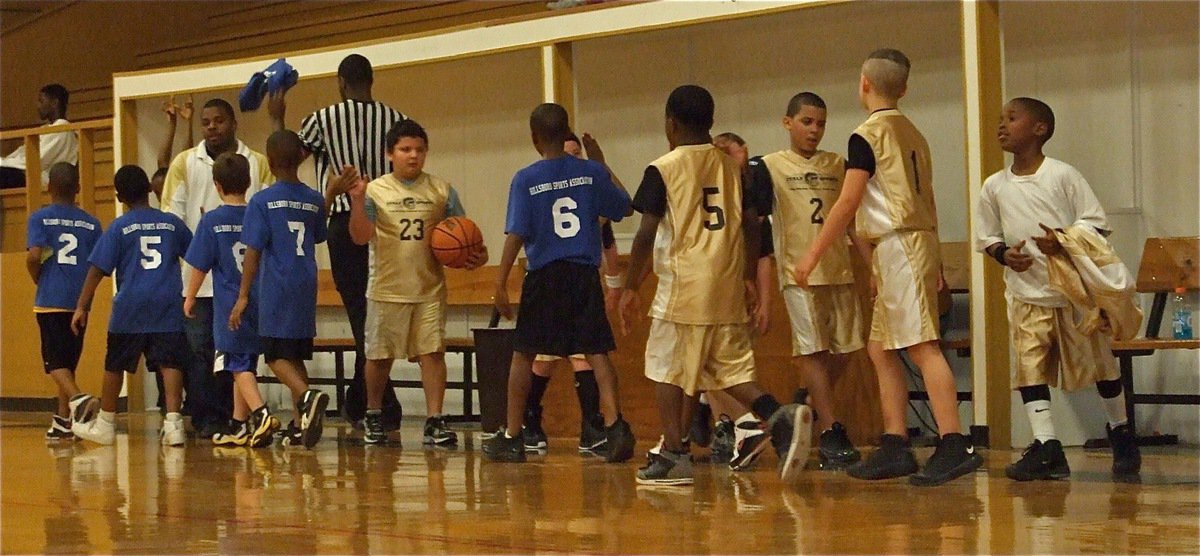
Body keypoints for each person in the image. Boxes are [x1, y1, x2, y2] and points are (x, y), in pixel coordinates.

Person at [795, 48, 983, 486]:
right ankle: (896, 443)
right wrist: (930, 257)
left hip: (901, 244)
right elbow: (928, 199)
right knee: (880, 347)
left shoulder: (867, 135)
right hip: (908, 244)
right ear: (905, 88)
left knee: (922, 346)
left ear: (863, 83)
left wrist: (812, 254)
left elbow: (847, 202)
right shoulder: (914, 132)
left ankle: (954, 443)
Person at [620, 85, 808, 486]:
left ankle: (673, 453)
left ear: (670, 123)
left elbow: (645, 234)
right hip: (724, 281)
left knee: (667, 370)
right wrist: (744, 277)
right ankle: (780, 415)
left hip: (685, 283)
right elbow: (750, 223)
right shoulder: (732, 167)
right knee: (723, 369)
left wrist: (630, 285)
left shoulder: (663, 168)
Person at [975, 97, 1141, 480]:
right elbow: (986, 236)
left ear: (1040, 129)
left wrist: (1063, 242)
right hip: (1025, 294)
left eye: (1012, 118)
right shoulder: (994, 186)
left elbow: (1095, 223)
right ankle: (1048, 446)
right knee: (1029, 368)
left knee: (1101, 365)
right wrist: (1004, 255)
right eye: (1000, 119)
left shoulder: (1063, 175)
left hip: (1072, 296)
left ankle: (1121, 432)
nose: (1002, 125)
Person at [483, 102, 636, 464]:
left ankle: (513, 435)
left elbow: (516, 233)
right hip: (583, 274)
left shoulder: (526, 178)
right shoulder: (590, 173)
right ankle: (614, 428)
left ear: (535, 138)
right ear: (567, 130)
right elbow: (626, 207)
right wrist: (599, 160)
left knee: (524, 354)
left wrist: (500, 281)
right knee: (597, 351)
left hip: (545, 275)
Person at [268, 53, 407, 429]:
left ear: (341, 83)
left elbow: (288, 158)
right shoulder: (395, 119)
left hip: (344, 221)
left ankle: (375, 403)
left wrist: (278, 118)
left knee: (362, 315)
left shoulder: (322, 118)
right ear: (371, 81)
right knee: (375, 312)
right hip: (385, 221)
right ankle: (366, 402)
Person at [346, 119, 488, 446]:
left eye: (420, 150)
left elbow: (464, 235)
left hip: (429, 288)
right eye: (405, 149)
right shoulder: (375, 190)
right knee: (379, 358)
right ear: (389, 154)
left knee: (433, 354)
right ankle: (373, 414)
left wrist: (474, 256)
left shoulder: (441, 190)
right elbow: (359, 237)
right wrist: (356, 201)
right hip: (386, 289)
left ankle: (435, 420)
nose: (413, 156)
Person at [748, 92, 868, 470]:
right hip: (797, 273)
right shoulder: (769, 166)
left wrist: (872, 266)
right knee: (813, 350)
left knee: (846, 349)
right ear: (788, 123)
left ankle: (806, 399)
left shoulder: (838, 164)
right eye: (806, 122)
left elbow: (851, 221)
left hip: (839, 270)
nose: (814, 130)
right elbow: (753, 223)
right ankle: (831, 429)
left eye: (820, 123)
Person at [162, 98, 272, 439]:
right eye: (206, 122)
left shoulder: (258, 163)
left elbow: (269, 214)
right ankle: (210, 417)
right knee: (201, 353)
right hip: (204, 279)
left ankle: (241, 417)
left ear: (233, 123)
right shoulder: (184, 163)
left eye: (219, 121)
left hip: (244, 283)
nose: (212, 127)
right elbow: (172, 217)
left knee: (237, 355)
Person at [69, 165, 193, 446]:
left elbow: (97, 269)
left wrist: (82, 306)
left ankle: (106, 422)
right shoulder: (172, 223)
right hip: (167, 302)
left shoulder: (119, 228)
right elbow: (195, 255)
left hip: (130, 307)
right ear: (150, 188)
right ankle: (174, 423)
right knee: (170, 362)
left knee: (115, 364)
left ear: (119, 196)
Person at [230, 130, 331, 449]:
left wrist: (244, 295)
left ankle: (307, 396)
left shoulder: (261, 201)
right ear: (302, 157)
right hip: (306, 282)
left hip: (278, 283)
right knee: (295, 353)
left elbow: (253, 252)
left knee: (274, 355)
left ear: (269, 162)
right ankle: (303, 421)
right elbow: (318, 236)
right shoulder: (314, 198)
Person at [522, 132, 621, 455]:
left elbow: (613, 222)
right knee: (544, 358)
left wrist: (616, 285)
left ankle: (592, 426)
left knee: (585, 355)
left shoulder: (589, 186)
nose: (572, 159)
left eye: (577, 154)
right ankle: (530, 419)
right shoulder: (538, 186)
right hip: (549, 277)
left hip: (583, 277)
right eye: (567, 153)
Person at [184, 152, 281, 449]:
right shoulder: (259, 214)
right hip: (259, 300)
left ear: (216, 185)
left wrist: (189, 297)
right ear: (250, 181)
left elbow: (199, 264)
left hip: (229, 305)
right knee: (246, 362)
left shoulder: (212, 221)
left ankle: (261, 414)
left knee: (235, 363)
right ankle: (239, 427)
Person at [25, 163, 103, 440]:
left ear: (49, 188)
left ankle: (78, 399)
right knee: (68, 362)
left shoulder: (40, 218)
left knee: (54, 362)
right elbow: (98, 265)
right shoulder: (92, 223)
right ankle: (62, 422)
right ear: (78, 189)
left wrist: (37, 277)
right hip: (80, 300)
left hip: (51, 299)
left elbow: (34, 256)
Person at [1, 84, 78, 188]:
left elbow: (36, 160)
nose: (38, 106)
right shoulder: (46, 129)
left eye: (41, 101)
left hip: (41, 178)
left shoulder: (62, 130)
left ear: (54, 103)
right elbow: (22, 152)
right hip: (27, 173)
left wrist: (4, 162)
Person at [151, 96, 194, 208]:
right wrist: (173, 123)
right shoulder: (162, 209)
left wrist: (186, 123)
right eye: (157, 193)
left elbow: (183, 159)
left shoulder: (180, 199)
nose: (161, 196)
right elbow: (162, 163)